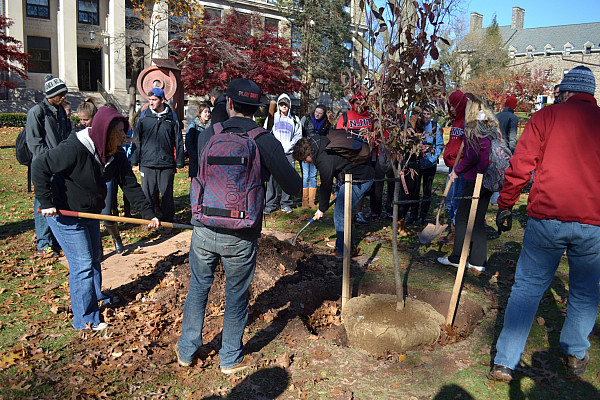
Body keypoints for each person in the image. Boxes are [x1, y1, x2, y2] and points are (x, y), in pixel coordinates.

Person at [176, 78, 301, 373]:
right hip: (241, 233)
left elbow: (197, 173)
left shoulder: (209, 134)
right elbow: (294, 186)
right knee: (236, 294)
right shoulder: (264, 140)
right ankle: (229, 358)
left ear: (229, 104)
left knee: (198, 288)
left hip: (204, 227)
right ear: (258, 109)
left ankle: (186, 351)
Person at [488, 66, 600, 382]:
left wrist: (506, 204)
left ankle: (505, 362)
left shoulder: (545, 117)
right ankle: (575, 355)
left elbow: (521, 166)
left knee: (527, 287)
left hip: (547, 218)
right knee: (584, 291)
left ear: (566, 91)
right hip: (593, 222)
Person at [31, 107, 160, 330]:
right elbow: (39, 165)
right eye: (119, 133)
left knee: (94, 258)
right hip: (65, 214)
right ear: (105, 132)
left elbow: (129, 184)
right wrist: (47, 202)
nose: (123, 138)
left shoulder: (115, 154)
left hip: (90, 212)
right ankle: (85, 320)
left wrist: (148, 214)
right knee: (82, 264)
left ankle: (96, 295)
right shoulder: (74, 148)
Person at [437, 96, 497, 272]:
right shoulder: (490, 125)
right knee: (478, 220)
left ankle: (457, 257)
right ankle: (478, 261)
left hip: (475, 179)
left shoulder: (474, 127)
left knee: (463, 218)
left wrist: (457, 171)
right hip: (489, 179)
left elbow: (472, 156)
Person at [292, 136, 374, 259]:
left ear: (308, 153)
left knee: (341, 212)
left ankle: (344, 250)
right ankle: (342, 242)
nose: (304, 162)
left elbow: (326, 184)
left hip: (361, 178)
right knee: (340, 210)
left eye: (304, 159)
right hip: (350, 177)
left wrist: (321, 209)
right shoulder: (317, 142)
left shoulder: (322, 159)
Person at [26, 75, 71, 257]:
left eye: (64, 94)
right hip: (44, 166)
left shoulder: (60, 111)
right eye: (60, 95)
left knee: (58, 202)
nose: (63, 98)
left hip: (60, 164)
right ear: (50, 94)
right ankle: (43, 244)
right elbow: (34, 142)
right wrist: (49, 161)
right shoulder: (37, 112)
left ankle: (55, 239)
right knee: (43, 203)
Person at [130, 87, 184, 224]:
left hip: (166, 163)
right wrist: (134, 160)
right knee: (147, 194)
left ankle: (168, 222)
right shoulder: (143, 116)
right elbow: (137, 139)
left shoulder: (172, 117)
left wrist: (179, 162)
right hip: (147, 163)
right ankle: (147, 221)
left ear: (162, 100)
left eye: (154, 100)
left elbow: (178, 140)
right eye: (149, 100)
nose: (151, 103)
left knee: (167, 195)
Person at [263, 93, 302, 214]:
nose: (283, 106)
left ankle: (286, 203)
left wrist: (291, 145)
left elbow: (298, 135)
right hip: (275, 153)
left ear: (289, 105)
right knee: (271, 179)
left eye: (286, 104)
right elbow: (266, 131)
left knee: (288, 178)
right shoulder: (272, 117)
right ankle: (270, 204)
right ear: (278, 105)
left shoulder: (295, 119)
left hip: (289, 153)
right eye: (281, 104)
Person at [442, 90, 468, 243]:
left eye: (454, 106)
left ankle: (456, 233)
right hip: (452, 168)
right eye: (449, 106)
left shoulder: (467, 122)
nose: (451, 109)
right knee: (448, 199)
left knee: (455, 200)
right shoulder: (456, 121)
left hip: (461, 170)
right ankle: (453, 227)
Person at [410, 106, 444, 225]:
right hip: (417, 162)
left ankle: (422, 216)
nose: (425, 116)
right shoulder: (414, 126)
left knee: (427, 190)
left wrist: (433, 158)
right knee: (414, 189)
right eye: (423, 114)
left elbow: (439, 145)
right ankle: (413, 214)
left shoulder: (436, 127)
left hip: (429, 163)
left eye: (428, 114)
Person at [490, 96, 519, 205]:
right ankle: (498, 199)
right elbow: (512, 138)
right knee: (504, 175)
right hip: (505, 149)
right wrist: (513, 154)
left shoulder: (497, 116)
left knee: (494, 173)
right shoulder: (513, 118)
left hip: (493, 147)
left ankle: (492, 197)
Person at [300, 104, 329, 208]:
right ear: (314, 111)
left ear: (323, 114)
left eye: (320, 113)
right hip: (305, 151)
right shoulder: (306, 119)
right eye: (316, 112)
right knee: (305, 175)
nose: (318, 114)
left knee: (313, 176)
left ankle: (311, 201)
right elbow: (300, 133)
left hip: (317, 153)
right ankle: (304, 201)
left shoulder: (326, 124)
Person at [186, 102, 212, 179]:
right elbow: (189, 142)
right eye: (205, 112)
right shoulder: (194, 126)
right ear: (200, 113)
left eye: (209, 112)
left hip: (208, 160)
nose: (208, 114)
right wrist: (194, 157)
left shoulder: (212, 126)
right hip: (196, 160)